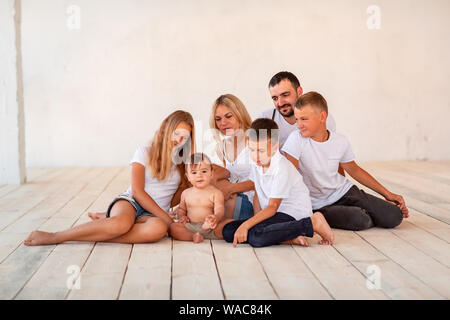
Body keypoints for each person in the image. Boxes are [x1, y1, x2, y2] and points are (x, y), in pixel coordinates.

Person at [24, 110, 195, 246]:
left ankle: (103, 229)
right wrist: (167, 218)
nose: (179, 139)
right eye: (176, 133)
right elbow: (137, 191)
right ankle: (57, 236)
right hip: (132, 203)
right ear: (166, 127)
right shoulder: (145, 151)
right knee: (121, 224)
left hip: (153, 215)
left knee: (158, 230)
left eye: (185, 137)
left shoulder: (183, 163)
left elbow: (176, 195)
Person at [282, 92, 408, 231]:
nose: (299, 125)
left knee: (394, 216)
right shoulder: (296, 139)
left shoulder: (340, 141)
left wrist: (387, 194)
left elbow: (354, 170)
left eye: (304, 119)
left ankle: (370, 211)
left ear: (322, 117)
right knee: (361, 220)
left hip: (344, 192)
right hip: (319, 204)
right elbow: (291, 177)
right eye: (297, 119)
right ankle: (348, 214)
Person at [222, 118, 334, 248]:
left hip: (291, 214)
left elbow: (272, 207)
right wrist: (255, 220)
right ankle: (287, 238)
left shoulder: (281, 167)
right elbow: (258, 191)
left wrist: (247, 225)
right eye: (252, 150)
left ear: (275, 147)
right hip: (273, 215)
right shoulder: (257, 162)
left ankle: (312, 223)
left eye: (261, 151)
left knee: (256, 237)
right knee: (228, 231)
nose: (256, 156)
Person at [258, 71, 337, 148]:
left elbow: (327, 152)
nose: (280, 103)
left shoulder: (322, 118)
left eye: (285, 95)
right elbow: (256, 155)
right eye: (275, 98)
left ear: (299, 92)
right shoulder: (265, 119)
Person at [209, 94, 255, 220]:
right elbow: (230, 176)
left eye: (229, 116)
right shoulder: (221, 147)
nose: (223, 123)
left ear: (240, 114)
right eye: (218, 119)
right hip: (234, 198)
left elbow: (265, 181)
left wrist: (230, 189)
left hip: (253, 203)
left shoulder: (255, 140)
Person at [169, 153, 228, 243]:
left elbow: (220, 209)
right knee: (173, 227)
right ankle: (193, 237)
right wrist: (182, 217)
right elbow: (181, 209)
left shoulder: (216, 193)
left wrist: (215, 217)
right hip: (190, 227)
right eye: (194, 172)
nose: (199, 175)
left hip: (211, 227)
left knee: (228, 223)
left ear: (211, 174)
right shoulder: (186, 193)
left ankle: (206, 232)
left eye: (204, 171)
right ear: (188, 177)